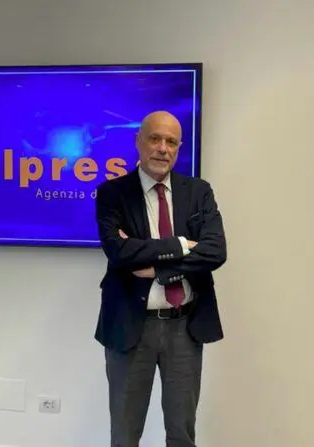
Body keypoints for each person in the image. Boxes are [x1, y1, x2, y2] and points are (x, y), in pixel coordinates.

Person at [94, 110, 227, 447]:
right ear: (138, 142)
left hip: (184, 327)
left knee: (182, 434)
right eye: (155, 138)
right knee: (125, 434)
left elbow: (215, 251)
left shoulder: (198, 192)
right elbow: (119, 252)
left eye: (172, 142)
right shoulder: (112, 194)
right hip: (129, 326)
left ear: (179, 148)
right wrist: (181, 245)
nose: (163, 148)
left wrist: (159, 269)